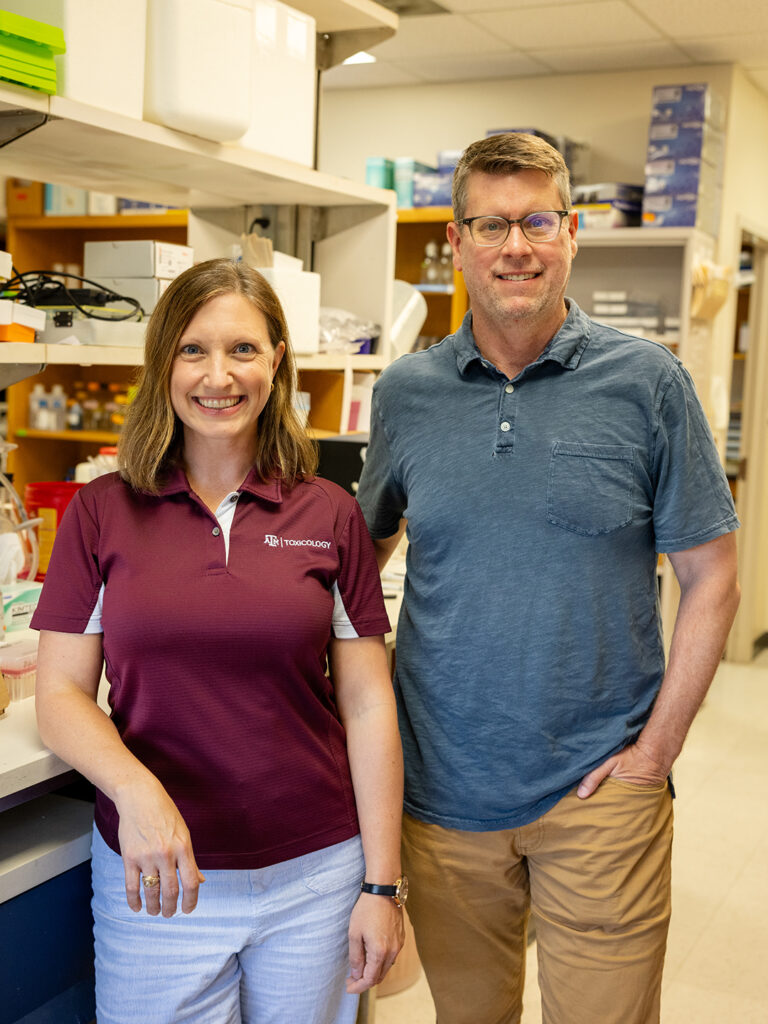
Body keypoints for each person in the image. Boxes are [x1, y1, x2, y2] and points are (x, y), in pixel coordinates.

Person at [356, 132, 741, 1024]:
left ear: (571, 231)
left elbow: (714, 576)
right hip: (443, 797)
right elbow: (354, 570)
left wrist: (655, 757)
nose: (515, 247)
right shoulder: (406, 393)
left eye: (536, 220)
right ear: (455, 244)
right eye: (489, 225)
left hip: (603, 792)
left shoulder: (648, 382)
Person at [32, 258, 405, 1024]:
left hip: (316, 877)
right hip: (158, 878)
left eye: (242, 349)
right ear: (163, 361)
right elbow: (60, 695)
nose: (217, 376)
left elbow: (368, 704)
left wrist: (382, 884)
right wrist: (137, 793)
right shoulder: (102, 511)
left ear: (276, 361)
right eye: (194, 349)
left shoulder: (329, 515)